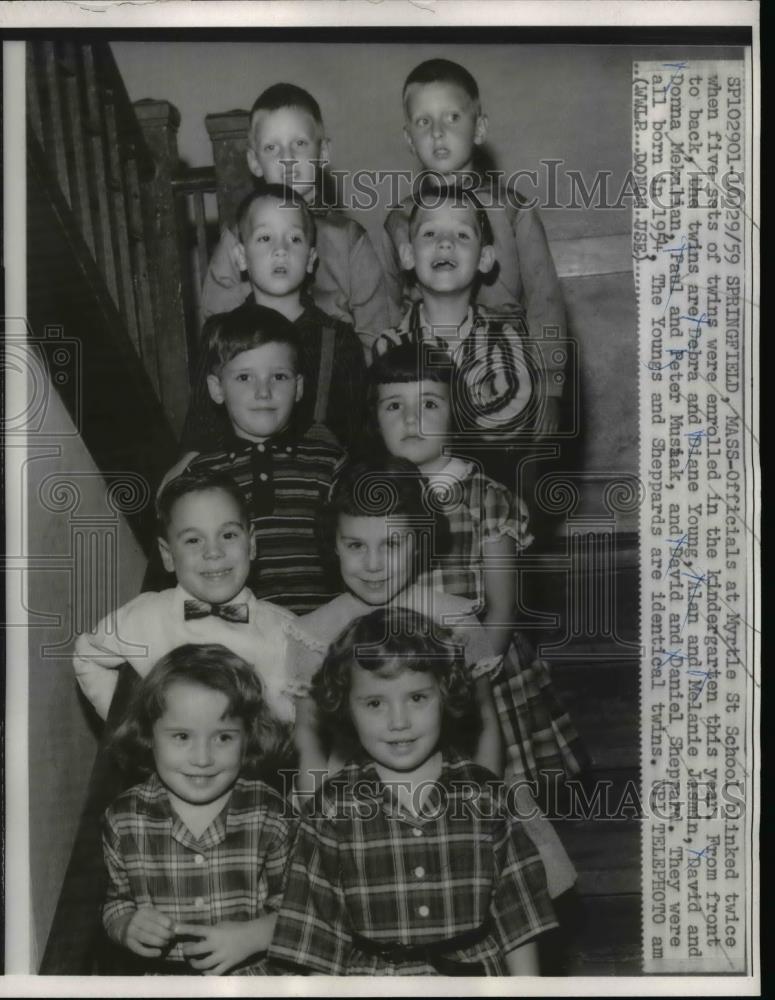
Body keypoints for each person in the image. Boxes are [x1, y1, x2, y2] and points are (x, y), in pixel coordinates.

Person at [367, 341, 589, 897]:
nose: (411, 420)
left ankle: (529, 888)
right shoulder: (375, 498)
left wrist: (476, 671)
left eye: (429, 404)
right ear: (374, 419)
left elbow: (503, 601)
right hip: (406, 673)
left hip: (478, 666)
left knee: (497, 793)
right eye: (393, 406)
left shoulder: (483, 497)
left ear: (456, 415)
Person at [268, 608, 557, 976]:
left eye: (417, 698)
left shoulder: (486, 795)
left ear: (446, 693)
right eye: (375, 703)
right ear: (347, 707)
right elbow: (315, 934)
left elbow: (520, 915)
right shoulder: (329, 809)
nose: (398, 721)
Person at [289, 457, 504, 784]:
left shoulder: (454, 620)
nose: (373, 564)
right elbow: (308, 737)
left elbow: (485, 720)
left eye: (391, 543)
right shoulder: (312, 633)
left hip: (449, 789)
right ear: (334, 543)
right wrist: (313, 814)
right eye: (356, 545)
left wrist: (486, 802)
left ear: (418, 540)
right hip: (351, 798)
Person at [382, 58, 566, 438]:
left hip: (510, 370)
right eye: (423, 122)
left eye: (452, 118)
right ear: (408, 140)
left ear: (479, 128)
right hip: (428, 370)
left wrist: (551, 388)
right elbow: (391, 311)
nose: (437, 133)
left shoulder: (514, 210)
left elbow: (545, 301)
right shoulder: (401, 221)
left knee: (511, 488)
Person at [102, 644, 293, 975]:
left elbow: (306, 910)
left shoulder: (271, 814)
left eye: (223, 738)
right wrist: (126, 925)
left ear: (248, 737)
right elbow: (116, 901)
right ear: (148, 735)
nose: (202, 759)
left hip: (255, 978)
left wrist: (253, 936)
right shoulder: (123, 819)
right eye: (181, 736)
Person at [73, 469, 302, 730]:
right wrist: (133, 730)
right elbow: (87, 654)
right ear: (168, 555)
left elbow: (306, 715)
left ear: (251, 544)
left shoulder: (286, 631)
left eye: (228, 535)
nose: (213, 552)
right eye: (193, 540)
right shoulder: (146, 615)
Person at [165, 305, 346, 614]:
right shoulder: (201, 472)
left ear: (299, 387)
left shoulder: (331, 464)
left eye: (279, 376)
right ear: (216, 389)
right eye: (245, 377)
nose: (264, 392)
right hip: (236, 636)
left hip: (322, 633)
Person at [375, 181, 547, 489]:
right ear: (407, 255)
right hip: (409, 490)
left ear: (484, 259)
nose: (444, 243)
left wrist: (445, 419)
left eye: (462, 235)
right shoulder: (391, 344)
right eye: (429, 233)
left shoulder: (504, 338)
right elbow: (380, 424)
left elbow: (514, 414)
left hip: (486, 485)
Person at [201, 82, 398, 348]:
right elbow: (215, 332)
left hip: (337, 378)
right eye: (272, 148)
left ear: (323, 153)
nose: (288, 159)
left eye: (300, 144)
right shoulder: (236, 240)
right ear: (254, 162)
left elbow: (377, 334)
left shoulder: (348, 239)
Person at [182, 183, 368, 454]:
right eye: (265, 238)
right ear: (241, 257)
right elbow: (198, 434)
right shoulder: (218, 332)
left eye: (294, 239)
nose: (280, 250)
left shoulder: (337, 338)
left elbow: (357, 440)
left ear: (310, 259)